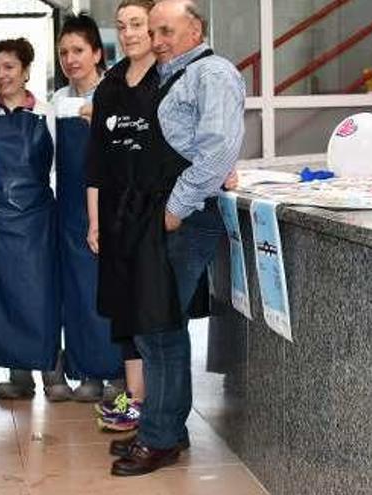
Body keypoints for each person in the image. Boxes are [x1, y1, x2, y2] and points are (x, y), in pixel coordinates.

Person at [92, 0, 244, 476]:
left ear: (194, 28)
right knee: (156, 323)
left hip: (186, 216)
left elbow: (218, 148)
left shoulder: (212, 74)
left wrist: (176, 208)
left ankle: (160, 438)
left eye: (165, 31)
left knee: (157, 327)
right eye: (151, 31)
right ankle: (166, 428)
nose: (156, 40)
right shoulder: (165, 73)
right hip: (154, 215)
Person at [0, 38, 61, 398]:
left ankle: (52, 373)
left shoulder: (46, 112)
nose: (1, 75)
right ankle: (19, 375)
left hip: (36, 220)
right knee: (3, 297)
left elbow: (59, 167)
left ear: (25, 71)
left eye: (9, 67)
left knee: (40, 295)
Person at [85, 0, 158, 433]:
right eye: (122, 26)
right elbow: (95, 163)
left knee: (152, 313)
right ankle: (134, 401)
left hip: (153, 215)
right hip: (114, 217)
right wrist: (94, 222)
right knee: (124, 312)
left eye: (137, 24)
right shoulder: (109, 86)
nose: (129, 33)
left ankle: (155, 405)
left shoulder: (167, 80)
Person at [48, 13, 126, 405]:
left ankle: (116, 373)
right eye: (64, 52)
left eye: (78, 50)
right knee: (77, 293)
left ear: (97, 53)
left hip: (110, 207)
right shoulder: (57, 102)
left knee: (108, 291)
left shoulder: (115, 95)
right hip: (69, 210)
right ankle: (87, 371)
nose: (70, 59)